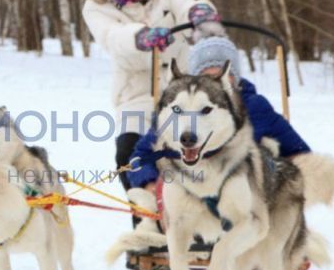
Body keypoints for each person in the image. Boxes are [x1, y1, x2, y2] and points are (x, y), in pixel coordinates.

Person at [82, 0, 223, 193]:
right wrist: (140, 36)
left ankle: (198, 216)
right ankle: (146, 215)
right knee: (129, 155)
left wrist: (198, 11)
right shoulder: (96, 6)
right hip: (136, 97)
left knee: (193, 154)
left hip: (182, 91)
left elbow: (185, 4)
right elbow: (111, 36)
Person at [127, 34, 311, 193]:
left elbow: (300, 155)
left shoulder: (255, 107)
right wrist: (149, 182)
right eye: (207, 76)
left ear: (234, 77)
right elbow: (140, 157)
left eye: (223, 75)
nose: (215, 82)